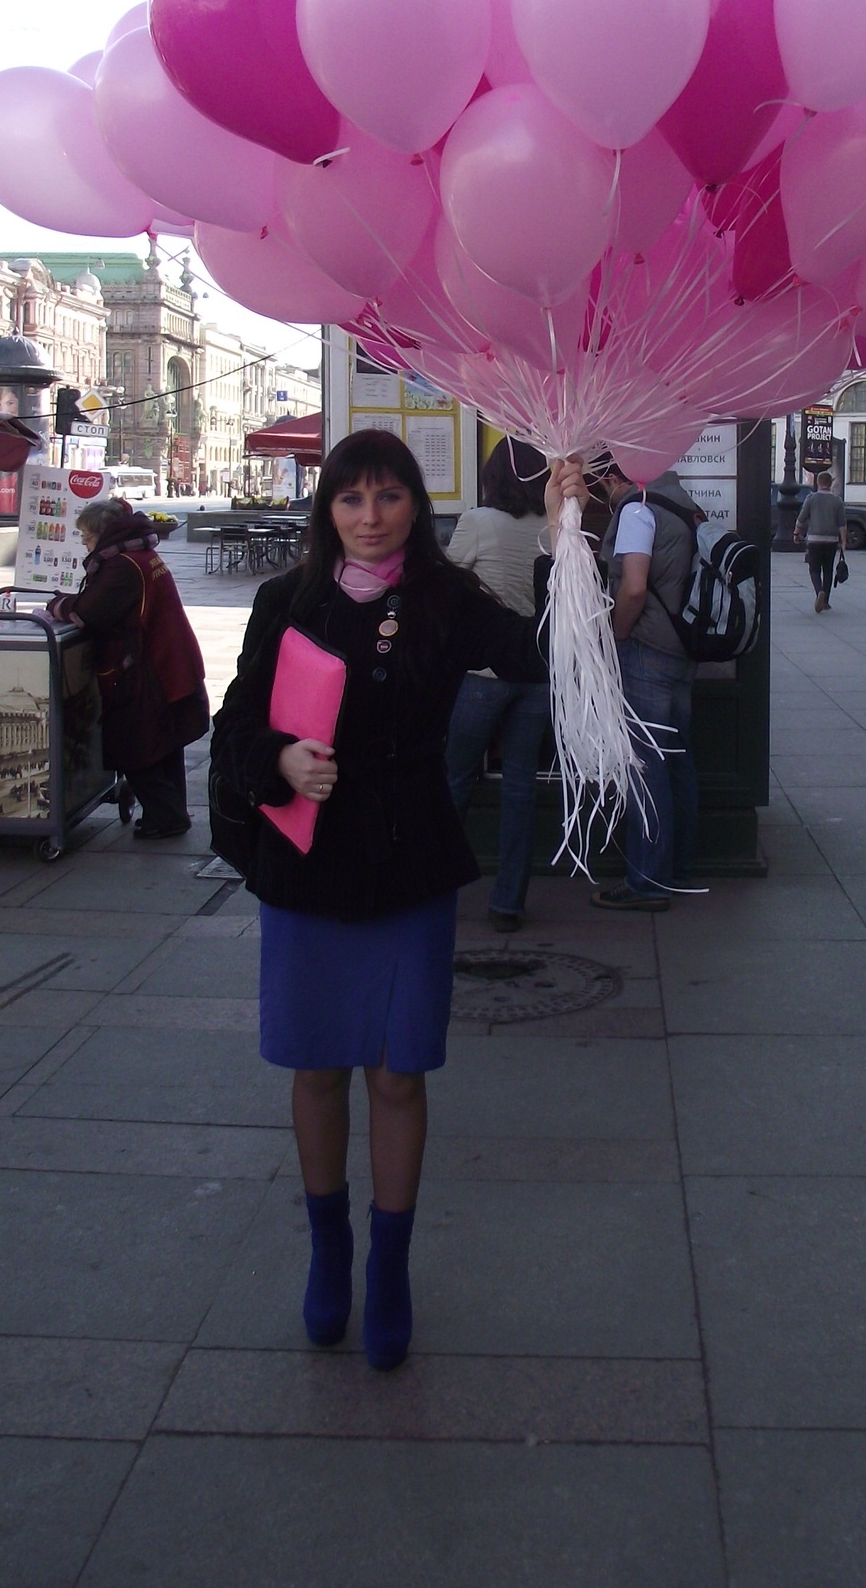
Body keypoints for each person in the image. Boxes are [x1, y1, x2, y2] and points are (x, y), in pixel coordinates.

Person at [210, 429, 585, 1372]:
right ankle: (328, 1250)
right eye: (351, 498)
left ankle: (390, 1266)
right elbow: (234, 725)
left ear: (417, 505)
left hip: (407, 861)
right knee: (316, 1068)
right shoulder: (286, 601)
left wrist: (562, 536)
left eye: (388, 497)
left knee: (397, 1075)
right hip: (307, 865)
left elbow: (542, 651)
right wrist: (278, 761)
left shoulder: (445, 600)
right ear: (327, 508)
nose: (370, 517)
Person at [49, 497, 208, 837]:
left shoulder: (122, 565)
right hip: (167, 662)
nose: (84, 543)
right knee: (163, 744)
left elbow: (90, 612)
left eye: (87, 536)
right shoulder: (141, 554)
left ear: (103, 534)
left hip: (145, 668)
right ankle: (170, 813)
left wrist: (57, 605)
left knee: (135, 745)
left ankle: (166, 816)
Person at [444, 437, 552, 935]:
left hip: (486, 674)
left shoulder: (477, 522)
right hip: (536, 672)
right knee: (521, 787)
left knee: (455, 780)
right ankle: (508, 902)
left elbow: (448, 585)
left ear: (493, 477)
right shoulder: (552, 528)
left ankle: (434, 887)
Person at [589, 455, 699, 911]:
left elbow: (633, 587)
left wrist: (618, 634)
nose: (605, 494)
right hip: (680, 649)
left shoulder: (637, 510)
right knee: (676, 764)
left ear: (617, 476)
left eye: (603, 484)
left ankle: (648, 881)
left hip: (646, 649)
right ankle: (678, 866)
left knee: (645, 768)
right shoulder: (683, 504)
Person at [794, 469, 848, 612]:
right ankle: (826, 601)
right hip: (831, 541)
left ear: (818, 483)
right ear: (830, 484)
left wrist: (796, 533)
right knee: (828, 570)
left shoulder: (811, 498)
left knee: (814, 569)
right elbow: (842, 524)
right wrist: (843, 542)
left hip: (814, 540)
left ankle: (819, 592)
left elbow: (801, 519)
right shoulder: (837, 500)